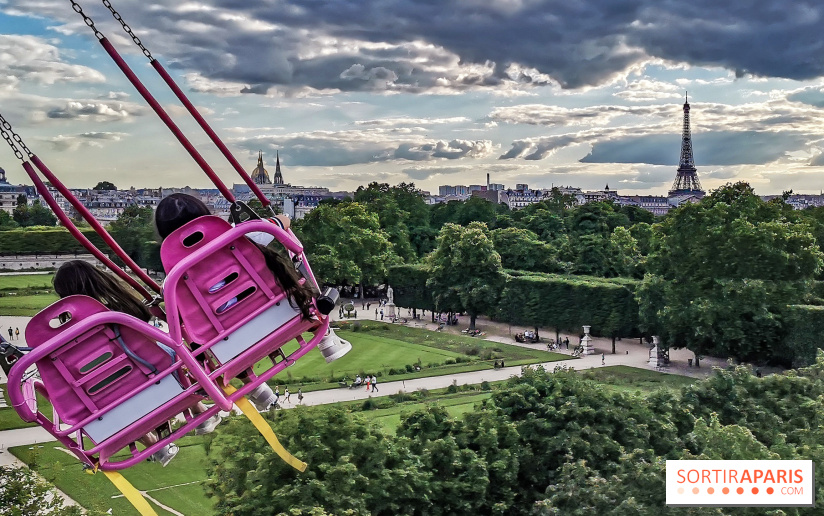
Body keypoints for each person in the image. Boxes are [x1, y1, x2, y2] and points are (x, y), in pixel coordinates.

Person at [155, 193, 319, 411]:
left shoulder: (172, 282)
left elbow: (181, 321)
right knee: (296, 275)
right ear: (206, 216)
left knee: (208, 334)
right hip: (280, 311)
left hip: (230, 342)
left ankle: (253, 386)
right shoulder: (242, 235)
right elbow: (284, 222)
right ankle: (327, 339)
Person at [52, 260, 221, 467]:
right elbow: (151, 338)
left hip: (106, 399)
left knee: (100, 398)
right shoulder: (116, 311)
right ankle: (198, 410)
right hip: (148, 380)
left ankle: (153, 444)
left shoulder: (62, 337)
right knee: (167, 350)